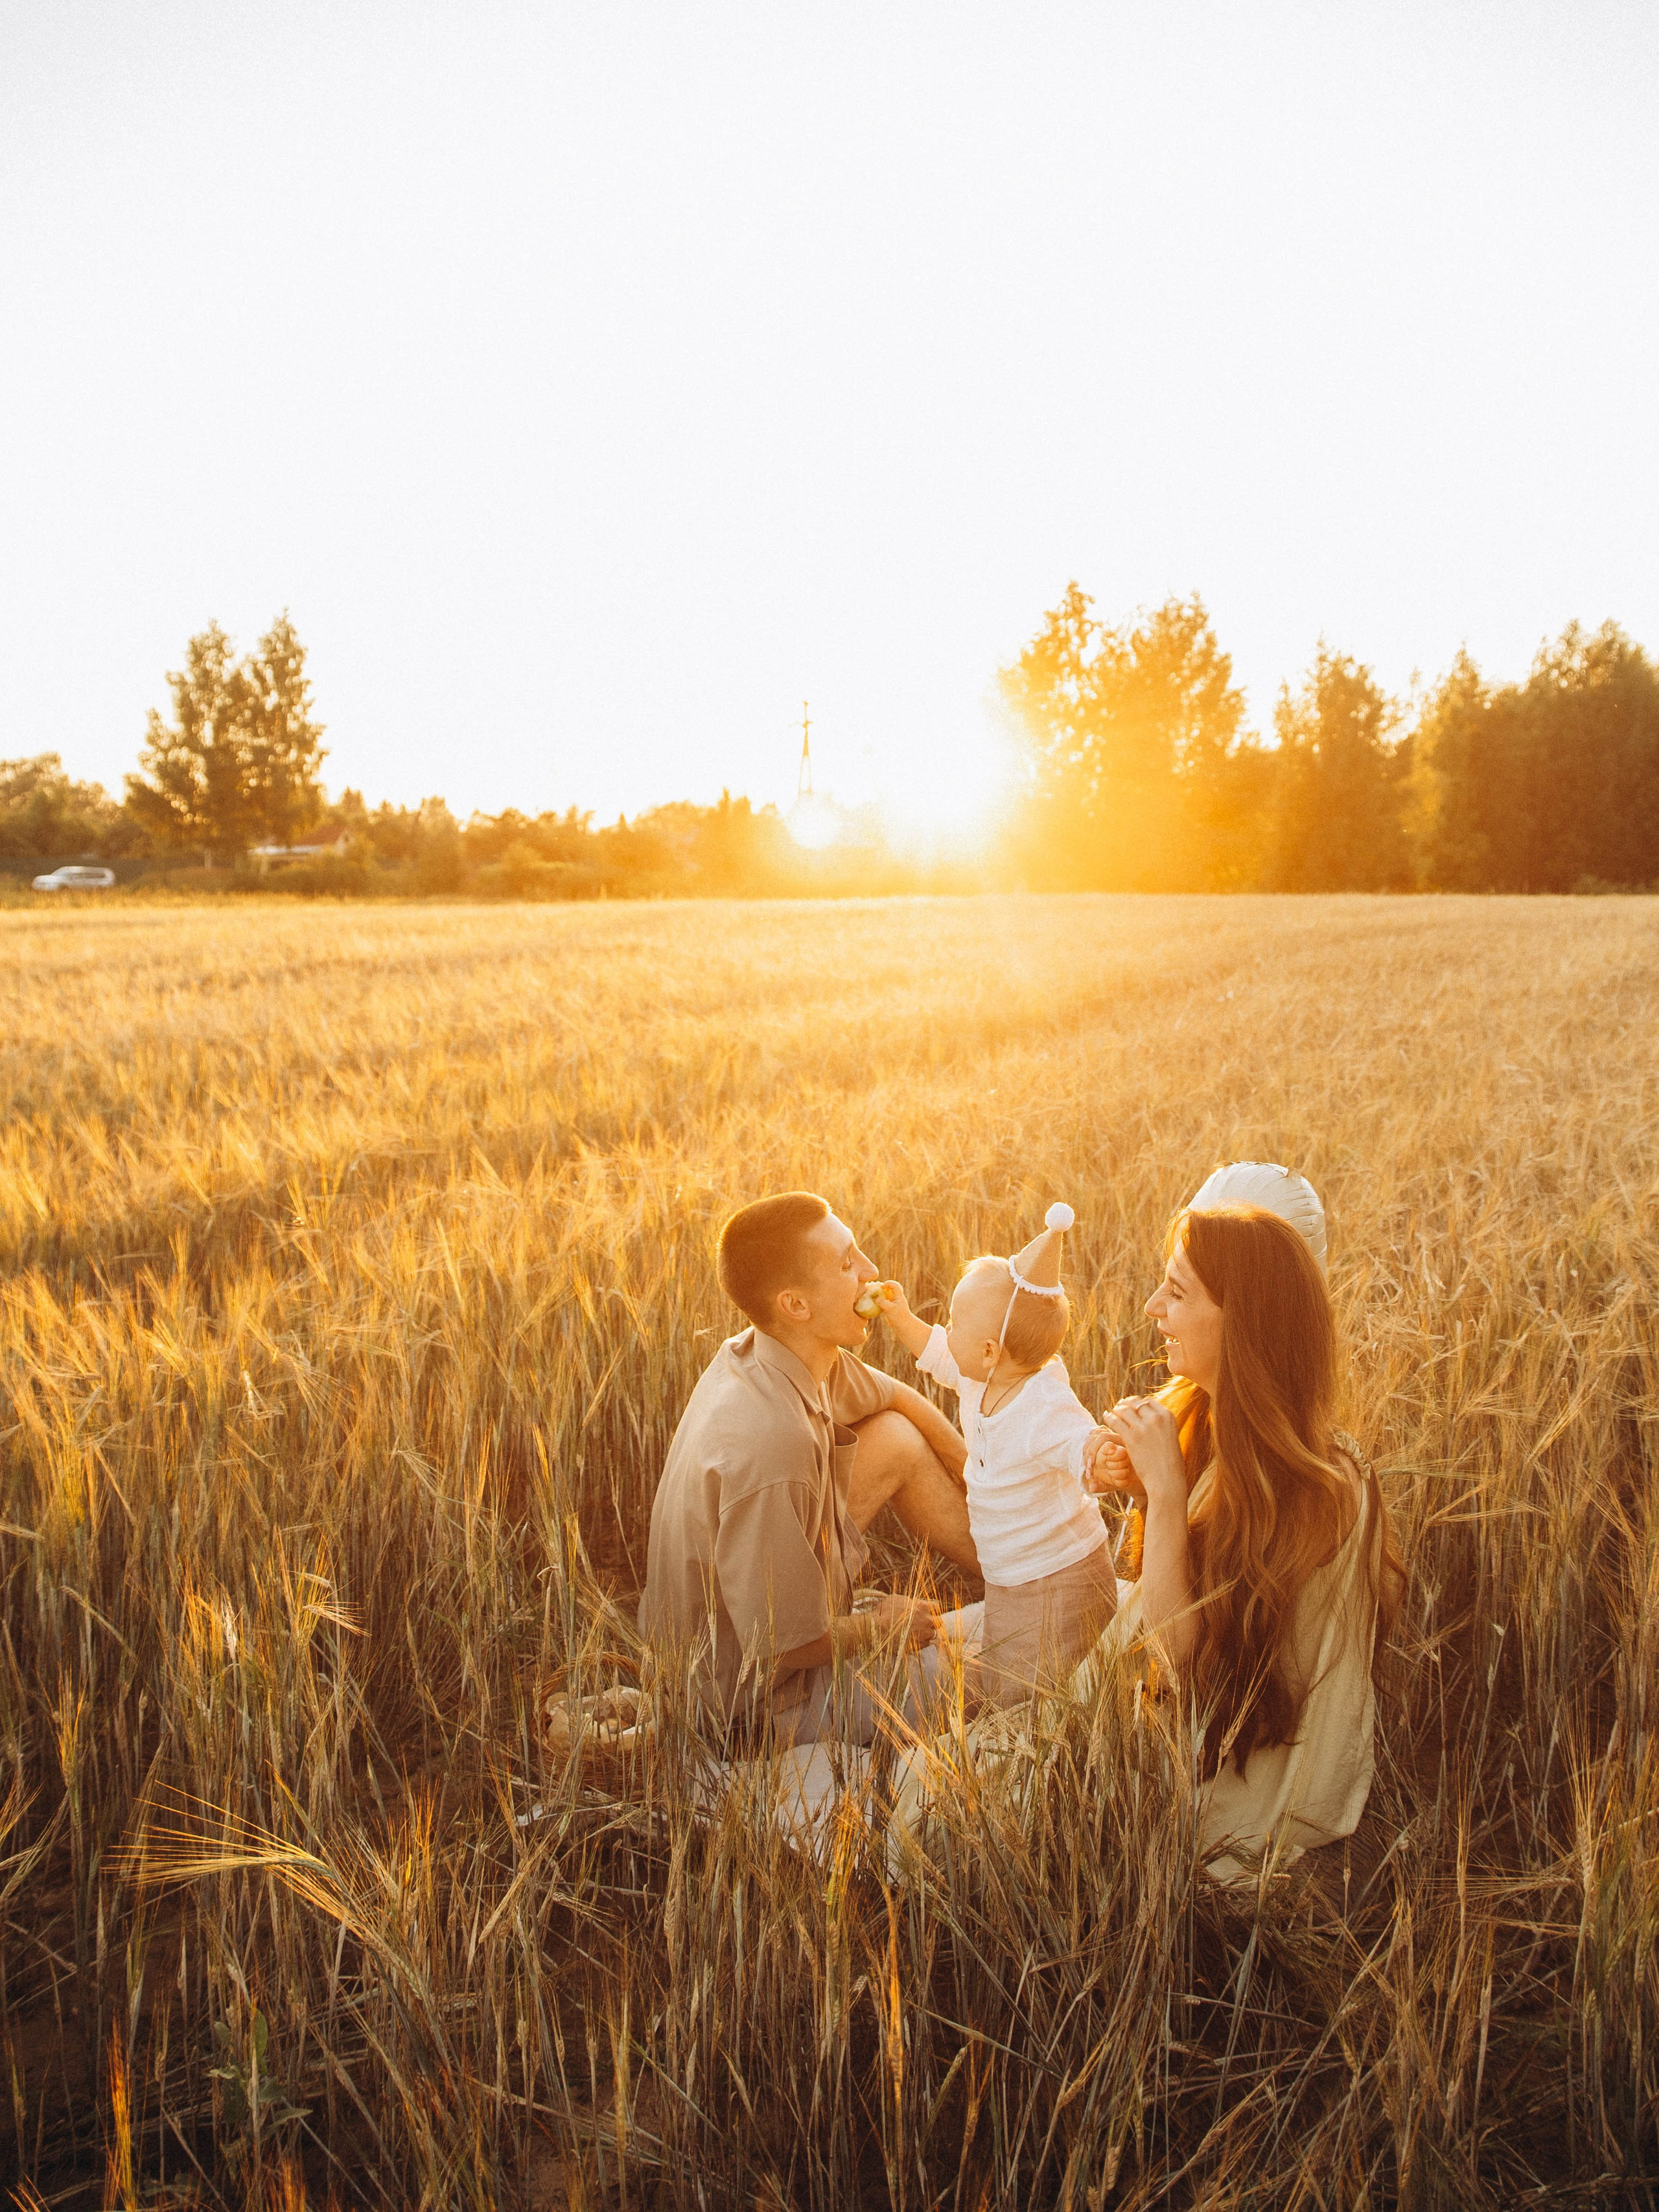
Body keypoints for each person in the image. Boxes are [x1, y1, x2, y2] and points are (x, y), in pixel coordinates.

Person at [892, 1163, 1406, 1880]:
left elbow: (1181, 1664)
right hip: (1167, 1710)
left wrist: (1164, 1494)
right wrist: (1142, 1488)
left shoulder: (1316, 1480)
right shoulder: (1204, 1412)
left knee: (936, 1797)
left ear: (1245, 1317)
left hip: (1233, 1770)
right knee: (930, 1765)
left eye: (1176, 1290)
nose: (1150, 1306)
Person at [638, 1191, 980, 1747]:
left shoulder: (780, 1352)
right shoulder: (773, 1442)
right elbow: (779, 1644)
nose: (872, 1273)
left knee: (894, 1434)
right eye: (848, 1264)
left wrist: (991, 1485)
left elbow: (898, 1398)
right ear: (795, 1304)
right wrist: (880, 1628)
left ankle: (1018, 1567)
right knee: (1000, 1678)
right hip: (751, 1703)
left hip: (762, 1634)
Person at [867, 1202, 1117, 1701]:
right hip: (1010, 1569)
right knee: (1008, 1663)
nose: (947, 1329)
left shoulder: (1043, 1402)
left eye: (954, 1321)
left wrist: (1101, 1455)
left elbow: (1077, 1441)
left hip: (1059, 1573)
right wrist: (902, 1317)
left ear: (989, 1351)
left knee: (1040, 1684)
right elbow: (938, 1352)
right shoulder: (977, 1373)